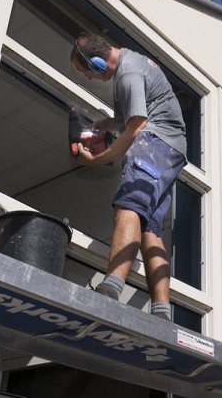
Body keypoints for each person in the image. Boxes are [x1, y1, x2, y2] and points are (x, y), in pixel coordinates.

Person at [70, 31, 186, 321]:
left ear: (98, 63)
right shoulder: (132, 63)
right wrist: (102, 124)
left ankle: (111, 288)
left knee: (128, 207)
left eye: (87, 72)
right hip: (171, 150)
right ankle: (161, 310)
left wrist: (99, 159)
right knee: (150, 230)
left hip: (155, 142)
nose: (90, 78)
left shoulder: (128, 74)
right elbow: (126, 120)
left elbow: (135, 127)